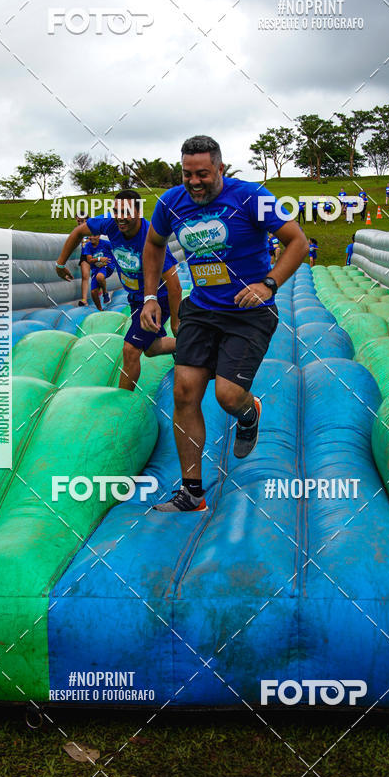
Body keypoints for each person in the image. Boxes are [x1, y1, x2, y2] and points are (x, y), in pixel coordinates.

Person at [140, 135, 308, 512]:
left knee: (227, 396)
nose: (194, 182)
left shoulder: (251, 196)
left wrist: (269, 284)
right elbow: (153, 245)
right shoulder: (170, 202)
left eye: (202, 174)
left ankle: (250, 412)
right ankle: (192, 493)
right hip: (201, 308)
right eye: (187, 174)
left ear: (220, 168)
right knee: (184, 392)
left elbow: (297, 241)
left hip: (249, 310)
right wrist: (150, 297)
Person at [55, 190, 181, 391]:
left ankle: (120, 404)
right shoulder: (110, 223)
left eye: (126, 212)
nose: (120, 217)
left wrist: (176, 321)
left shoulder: (150, 237)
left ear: (139, 212)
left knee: (130, 350)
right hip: (135, 297)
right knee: (150, 348)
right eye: (116, 211)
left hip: (158, 298)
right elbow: (78, 232)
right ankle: (185, 345)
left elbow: (174, 284)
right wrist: (60, 264)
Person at [84, 234, 115, 310]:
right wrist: (99, 259)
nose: (91, 238)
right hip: (96, 269)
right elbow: (89, 260)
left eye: (93, 236)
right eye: (89, 236)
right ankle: (100, 310)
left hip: (107, 266)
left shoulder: (106, 243)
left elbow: (116, 249)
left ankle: (105, 293)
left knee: (100, 277)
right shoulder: (88, 246)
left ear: (98, 236)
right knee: (93, 292)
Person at [76, 215, 92, 306]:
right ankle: (84, 300)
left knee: (97, 275)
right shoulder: (78, 231)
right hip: (84, 255)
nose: (79, 223)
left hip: (94, 254)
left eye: (81, 221)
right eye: (78, 221)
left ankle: (102, 291)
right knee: (85, 276)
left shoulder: (91, 229)